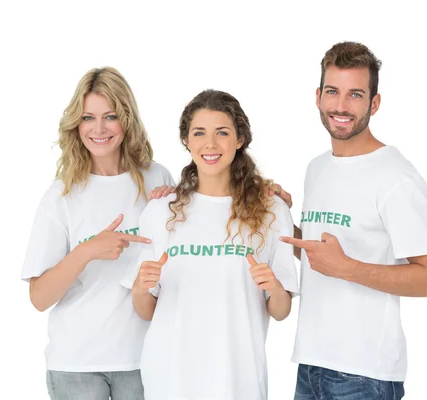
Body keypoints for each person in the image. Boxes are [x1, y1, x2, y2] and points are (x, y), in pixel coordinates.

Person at [279, 41, 427, 400]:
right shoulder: (317, 167)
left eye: (355, 94)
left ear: (374, 103)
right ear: (318, 96)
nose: (340, 106)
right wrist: (280, 223)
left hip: (364, 376)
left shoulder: (395, 177)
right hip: (309, 365)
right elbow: (323, 256)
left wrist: (348, 268)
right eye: (332, 92)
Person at [124, 89, 299, 399]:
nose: (210, 144)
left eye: (222, 132)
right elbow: (146, 310)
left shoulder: (271, 211)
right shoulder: (161, 210)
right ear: (186, 141)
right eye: (199, 133)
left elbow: (281, 311)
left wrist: (273, 286)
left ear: (240, 139)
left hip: (238, 382)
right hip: (170, 381)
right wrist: (140, 287)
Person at [21, 67, 174, 400]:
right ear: (77, 123)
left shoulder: (157, 178)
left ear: (127, 119)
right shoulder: (61, 194)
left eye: (110, 116)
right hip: (78, 367)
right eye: (88, 117)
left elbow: (180, 254)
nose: (99, 128)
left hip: (145, 359)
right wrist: (87, 250)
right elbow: (39, 298)